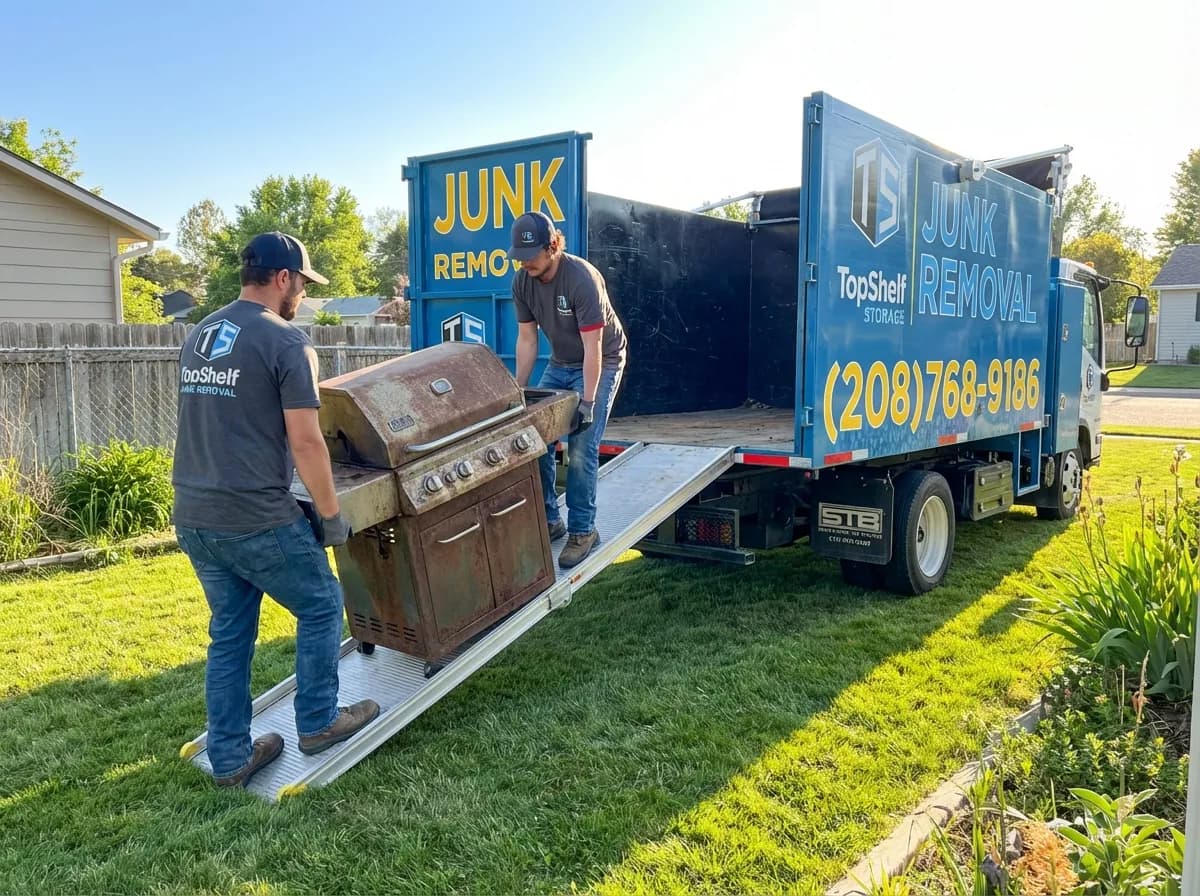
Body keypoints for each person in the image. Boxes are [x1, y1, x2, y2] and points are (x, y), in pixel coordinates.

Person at [172, 231, 379, 788]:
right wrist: (331, 515)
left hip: (195, 513)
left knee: (230, 633)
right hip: (254, 515)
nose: (303, 297)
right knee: (320, 604)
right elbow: (307, 441)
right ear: (283, 278)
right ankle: (318, 722)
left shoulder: (202, 332)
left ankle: (232, 758)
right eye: (303, 285)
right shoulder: (286, 342)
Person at [509, 211, 628, 569]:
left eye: (531, 255)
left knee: (581, 447)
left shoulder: (581, 279)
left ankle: (582, 531)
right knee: (536, 440)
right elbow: (528, 340)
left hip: (601, 360)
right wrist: (519, 392)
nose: (525, 262)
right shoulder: (523, 282)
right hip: (560, 363)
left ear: (552, 246)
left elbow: (593, 348)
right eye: (520, 255)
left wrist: (588, 403)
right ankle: (550, 521)